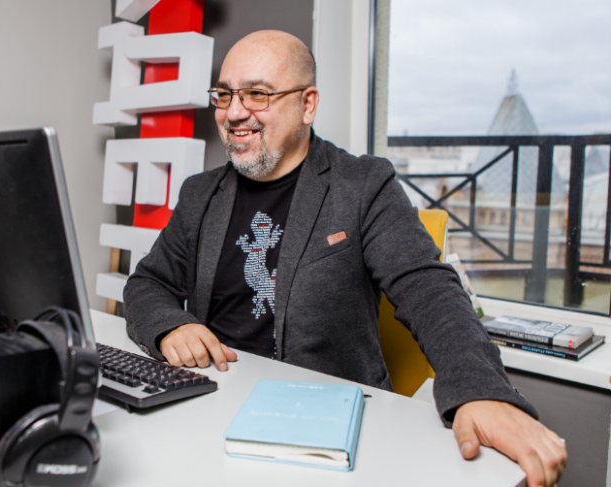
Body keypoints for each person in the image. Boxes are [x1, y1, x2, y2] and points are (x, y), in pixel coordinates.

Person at [124, 30, 567, 487]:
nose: (234, 112)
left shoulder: (363, 185)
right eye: (224, 94)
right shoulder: (200, 193)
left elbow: (427, 288)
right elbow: (147, 283)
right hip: (213, 405)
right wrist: (170, 325)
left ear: (308, 105)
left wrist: (481, 391)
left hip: (325, 433)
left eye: (257, 94)